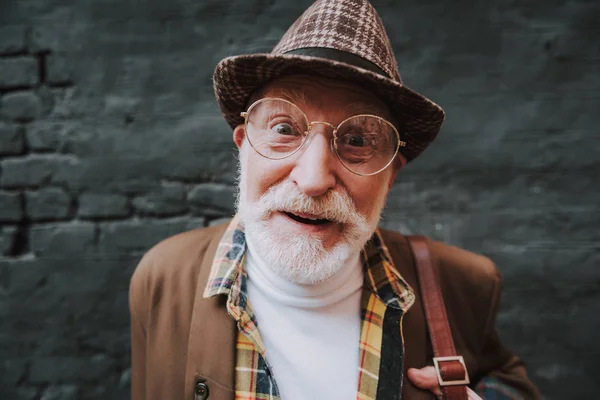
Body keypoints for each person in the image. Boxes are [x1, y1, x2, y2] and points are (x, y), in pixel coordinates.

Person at [129, 0, 540, 399]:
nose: (313, 179)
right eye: (284, 128)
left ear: (391, 174)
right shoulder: (162, 279)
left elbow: (506, 380)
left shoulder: (464, 285)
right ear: (243, 146)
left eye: (357, 140)